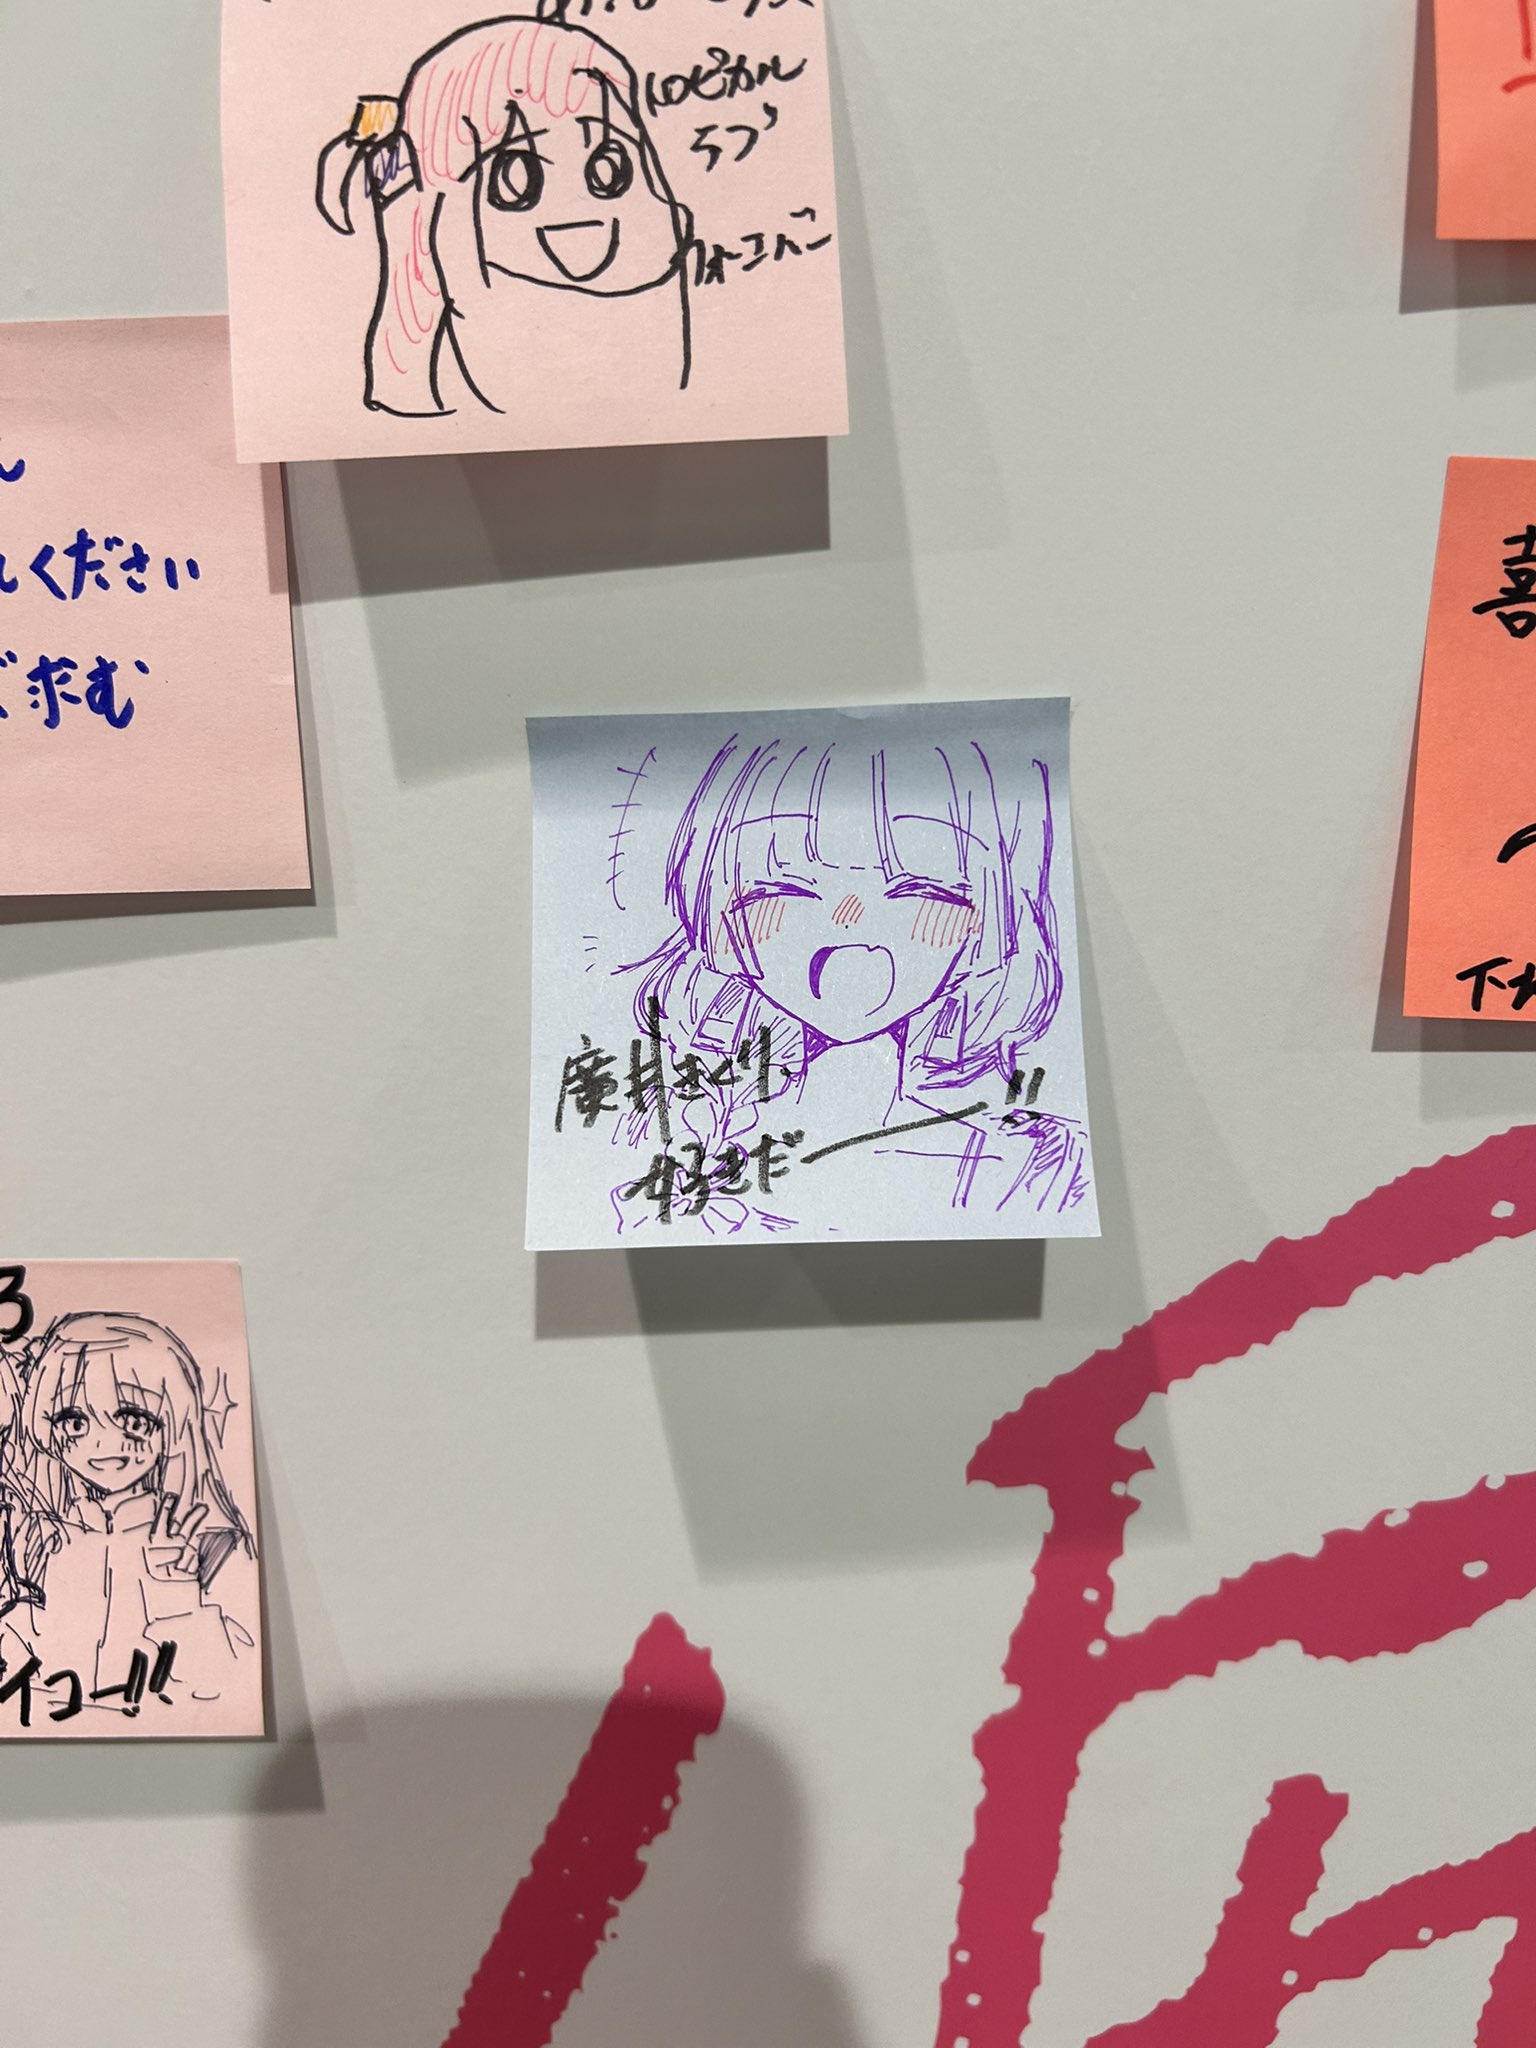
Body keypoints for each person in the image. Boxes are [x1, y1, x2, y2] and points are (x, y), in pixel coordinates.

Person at [614, 731, 1092, 1232]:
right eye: (784, 888)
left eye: (921, 891)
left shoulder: (1034, 1165)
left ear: (995, 912)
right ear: (713, 904)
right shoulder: (673, 1120)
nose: (849, 925)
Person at [317, 6, 695, 419]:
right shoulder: (450, 272)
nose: (577, 214)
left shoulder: (654, 266)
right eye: (517, 181)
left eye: (610, 171)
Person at [0, 1313, 256, 1720]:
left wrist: (180, 1602)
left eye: (134, 1421)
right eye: (75, 1422)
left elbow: (231, 1691)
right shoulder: (47, 1539)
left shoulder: (211, 1544)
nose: (102, 1443)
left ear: (173, 1424)